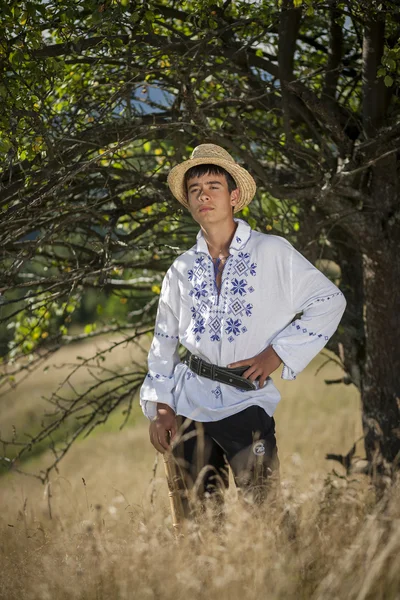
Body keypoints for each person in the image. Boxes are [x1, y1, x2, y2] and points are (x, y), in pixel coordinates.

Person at [140, 143, 346, 513]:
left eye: (213, 186)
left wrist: (277, 353)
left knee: (267, 515)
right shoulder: (181, 269)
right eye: (194, 190)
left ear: (234, 196)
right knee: (198, 525)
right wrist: (162, 407)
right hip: (190, 406)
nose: (203, 195)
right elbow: (164, 341)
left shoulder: (273, 252)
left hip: (247, 401)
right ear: (188, 202)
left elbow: (329, 301)